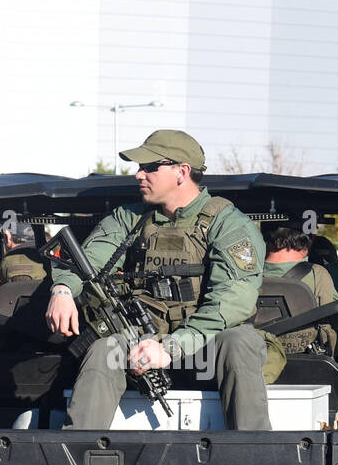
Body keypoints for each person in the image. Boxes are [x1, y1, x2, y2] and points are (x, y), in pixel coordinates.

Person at [46, 129, 270, 430]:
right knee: (102, 349)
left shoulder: (229, 224)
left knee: (240, 341)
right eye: (139, 167)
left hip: (206, 349)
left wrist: (170, 348)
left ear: (182, 171)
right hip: (141, 344)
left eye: (150, 167)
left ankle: (254, 458)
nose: (139, 175)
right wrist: (62, 290)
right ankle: (76, 458)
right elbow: (87, 260)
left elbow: (232, 301)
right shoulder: (129, 217)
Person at [262, 227, 338, 357]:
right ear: (307, 244)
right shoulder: (318, 274)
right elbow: (331, 322)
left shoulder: (247, 275)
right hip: (307, 360)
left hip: (255, 356)